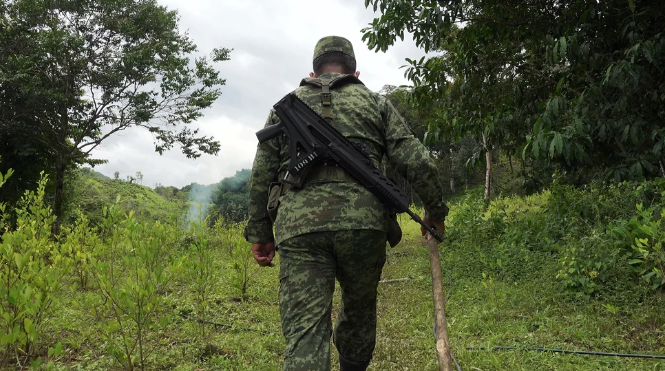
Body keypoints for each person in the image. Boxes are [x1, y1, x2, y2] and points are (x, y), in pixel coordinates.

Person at [244, 36, 448, 371]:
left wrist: (260, 232)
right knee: (359, 310)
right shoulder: (375, 102)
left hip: (299, 227)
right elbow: (417, 161)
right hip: (363, 225)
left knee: (306, 330)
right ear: (355, 72)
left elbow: (262, 174)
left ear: (314, 71)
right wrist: (435, 213)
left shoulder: (288, 103)